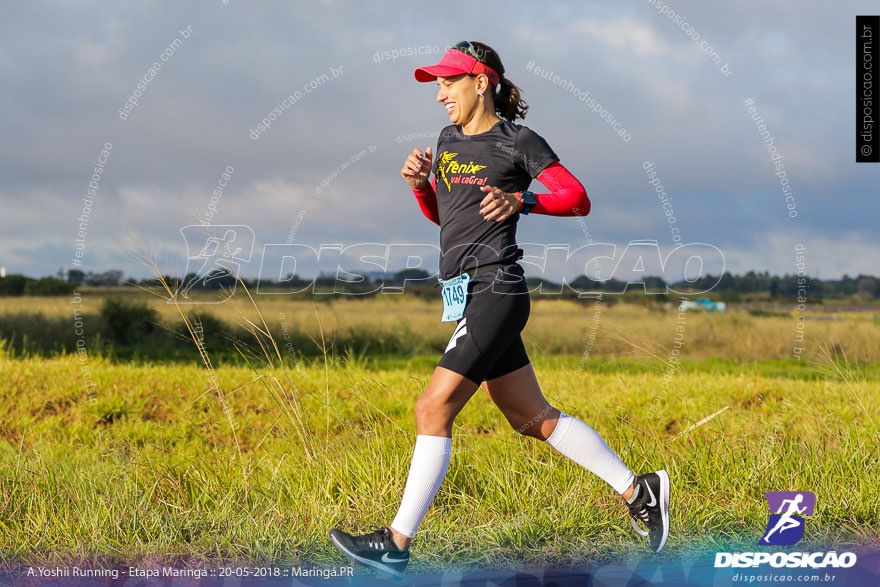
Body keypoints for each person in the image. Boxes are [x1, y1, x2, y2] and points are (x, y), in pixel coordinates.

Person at [330, 41, 670, 578]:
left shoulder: (519, 141)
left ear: (481, 81)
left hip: (497, 287)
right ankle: (638, 490)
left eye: (449, 83)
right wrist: (421, 187)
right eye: (437, 85)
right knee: (530, 417)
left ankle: (396, 544)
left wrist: (524, 200)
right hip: (466, 289)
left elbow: (576, 198)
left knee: (432, 408)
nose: (440, 94)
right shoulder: (446, 140)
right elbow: (446, 217)